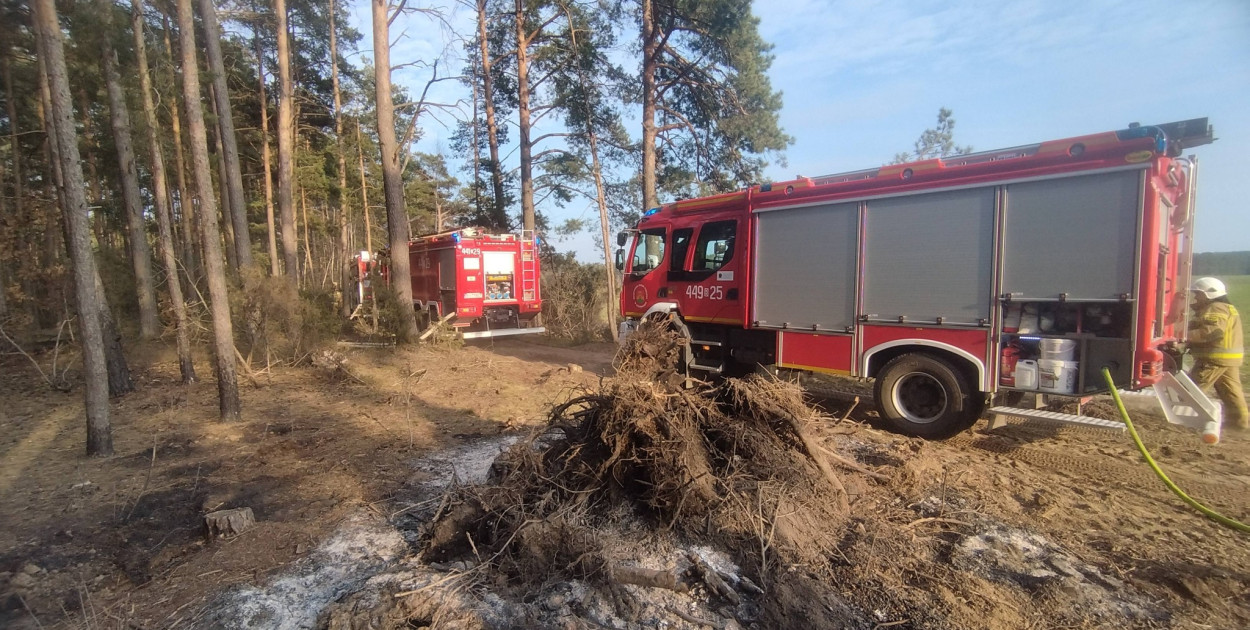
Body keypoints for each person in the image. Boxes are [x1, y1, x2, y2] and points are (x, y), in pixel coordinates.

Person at [1187, 277, 1248, 431]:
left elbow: (1211, 332)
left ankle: (1184, 418)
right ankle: (1240, 423)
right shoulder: (1226, 307)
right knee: (1231, 392)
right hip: (1228, 359)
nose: (1196, 297)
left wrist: (1182, 336)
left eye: (1198, 294)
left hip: (1214, 358)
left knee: (1192, 389)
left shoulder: (1215, 308)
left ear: (1209, 294)